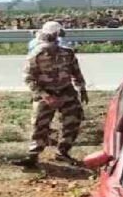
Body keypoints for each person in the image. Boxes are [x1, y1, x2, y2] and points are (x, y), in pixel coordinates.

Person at [13, 22, 88, 168]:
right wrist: (44, 95)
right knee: (39, 125)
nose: (50, 47)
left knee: (73, 121)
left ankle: (63, 152)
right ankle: (33, 156)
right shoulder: (35, 56)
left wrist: (82, 89)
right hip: (45, 93)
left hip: (66, 91)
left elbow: (76, 72)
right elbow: (29, 78)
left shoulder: (68, 53)